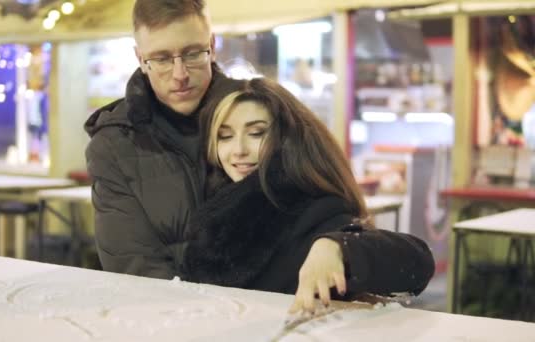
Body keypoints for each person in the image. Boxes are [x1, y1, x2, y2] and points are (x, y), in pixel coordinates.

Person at [183, 77, 435, 312]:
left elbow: (417, 261)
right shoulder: (216, 208)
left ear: (286, 139)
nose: (238, 150)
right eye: (224, 136)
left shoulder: (308, 205)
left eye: (257, 133)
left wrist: (338, 247)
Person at [84, 0, 242, 278]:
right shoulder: (114, 145)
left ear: (213, 46)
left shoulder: (262, 115)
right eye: (161, 59)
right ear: (140, 60)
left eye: (193, 54)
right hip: (168, 315)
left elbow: (323, 213)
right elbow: (135, 266)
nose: (180, 74)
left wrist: (334, 242)